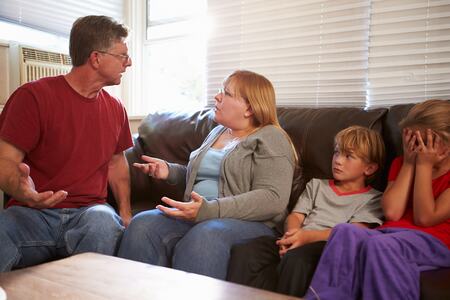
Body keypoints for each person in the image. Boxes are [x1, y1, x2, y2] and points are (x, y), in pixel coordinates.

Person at [118, 70, 297, 279]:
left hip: (249, 223)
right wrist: (171, 172)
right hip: (199, 214)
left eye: (226, 93)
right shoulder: (218, 132)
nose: (217, 96)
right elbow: (206, 179)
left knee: (205, 236)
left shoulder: (271, 137)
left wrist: (209, 210)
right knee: (143, 225)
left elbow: (272, 198)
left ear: (249, 108)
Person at [0, 15, 133, 272]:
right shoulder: (33, 97)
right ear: (96, 58)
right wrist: (21, 190)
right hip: (32, 212)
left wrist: (126, 213)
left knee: (105, 225)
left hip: (90, 212)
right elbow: (5, 160)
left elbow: (117, 165)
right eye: (122, 56)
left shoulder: (116, 108)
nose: (129, 63)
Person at [305, 99, 450, 300]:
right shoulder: (402, 163)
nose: (415, 148)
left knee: (381, 246)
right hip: (390, 233)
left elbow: (425, 218)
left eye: (422, 142)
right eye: (410, 141)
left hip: (436, 242)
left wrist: (424, 166)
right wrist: (409, 163)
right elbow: (392, 212)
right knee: (344, 231)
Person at [227, 125, 385, 297]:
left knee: (297, 259)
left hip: (327, 246)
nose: (338, 160)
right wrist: (292, 235)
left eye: (349, 156)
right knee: (245, 250)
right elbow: (295, 215)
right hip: (297, 236)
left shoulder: (373, 199)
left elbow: (353, 233)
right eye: (337, 152)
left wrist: (305, 238)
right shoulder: (317, 185)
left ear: (369, 168)